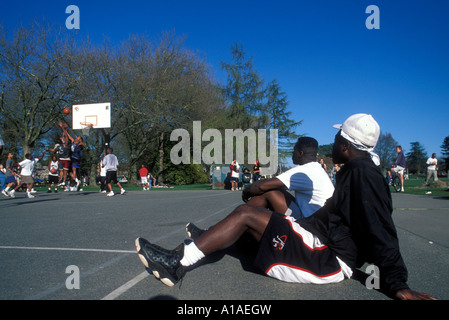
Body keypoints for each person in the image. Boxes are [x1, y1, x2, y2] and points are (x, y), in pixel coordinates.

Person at [135, 113, 436, 300]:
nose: (331, 142)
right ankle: (205, 244)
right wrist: (295, 226)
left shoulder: (362, 175)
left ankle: (177, 264)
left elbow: (381, 227)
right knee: (255, 220)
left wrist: (397, 284)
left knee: (246, 213)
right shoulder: (355, 172)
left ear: (345, 145)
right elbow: (335, 217)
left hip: (328, 259)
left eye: (336, 137)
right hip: (321, 243)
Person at [241, 137, 334, 220]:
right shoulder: (316, 169)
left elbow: (261, 187)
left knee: (269, 192)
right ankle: (245, 221)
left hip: (312, 224)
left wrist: (246, 191)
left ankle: (241, 219)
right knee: (274, 189)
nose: (292, 154)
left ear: (300, 153)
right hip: (322, 221)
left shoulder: (304, 170)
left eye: (294, 151)